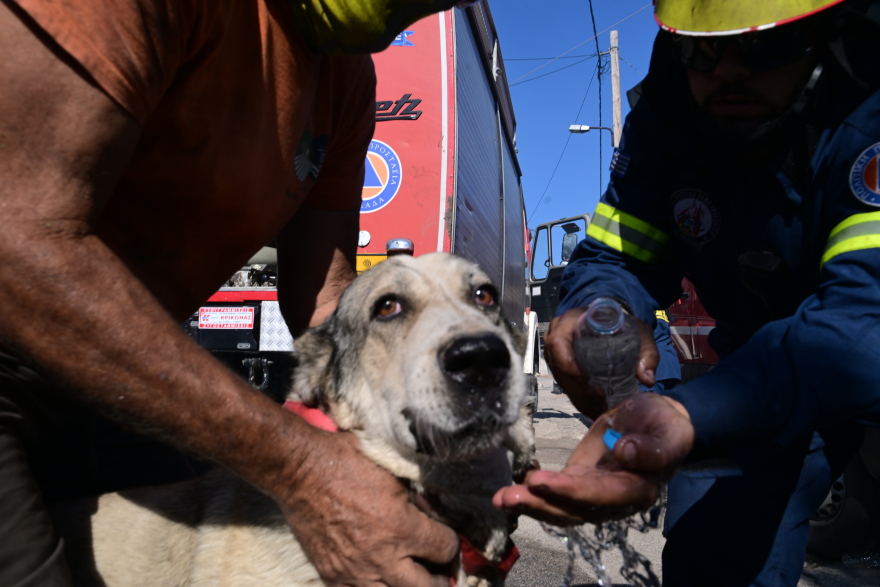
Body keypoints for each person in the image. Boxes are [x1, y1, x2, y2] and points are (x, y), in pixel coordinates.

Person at [0, 1, 479, 585]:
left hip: (106, 373)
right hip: (17, 337)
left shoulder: (345, 81)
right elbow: (18, 237)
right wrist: (302, 467)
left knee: (190, 546)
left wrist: (441, 431)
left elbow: (325, 302)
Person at [494, 1, 880, 585]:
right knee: (713, 545)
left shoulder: (867, 110)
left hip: (832, 349)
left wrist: (689, 411)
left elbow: (861, 324)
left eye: (763, 45)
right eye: (704, 46)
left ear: (827, 36)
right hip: (761, 368)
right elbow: (617, 254)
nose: (728, 69)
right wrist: (597, 310)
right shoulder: (671, 113)